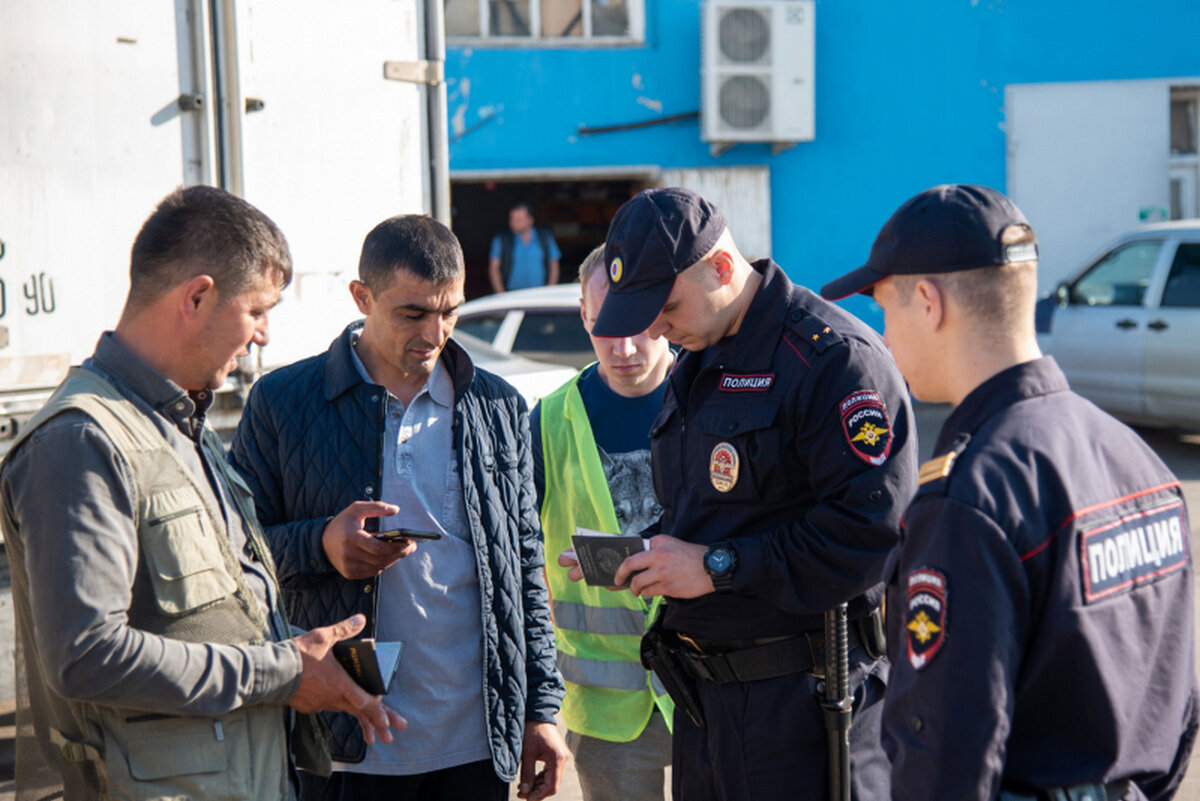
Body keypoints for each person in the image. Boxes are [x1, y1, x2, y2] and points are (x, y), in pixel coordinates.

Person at [0, 186, 404, 801]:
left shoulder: (178, 423)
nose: (264, 335)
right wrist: (284, 670)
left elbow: (211, 616)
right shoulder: (82, 440)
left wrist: (311, 658)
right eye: (258, 310)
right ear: (196, 296)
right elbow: (84, 654)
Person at [819, 184, 1199, 801]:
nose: (883, 337)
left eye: (884, 308)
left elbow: (942, 752)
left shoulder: (970, 495)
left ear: (928, 301)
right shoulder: (1140, 461)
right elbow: (1177, 702)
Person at [579, 187, 918, 801]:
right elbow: (708, 508)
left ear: (723, 268)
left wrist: (715, 567)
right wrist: (648, 553)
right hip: (706, 704)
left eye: (666, 305)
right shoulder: (698, 355)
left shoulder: (831, 361)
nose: (655, 327)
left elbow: (871, 534)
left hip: (802, 708)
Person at [229, 214, 569, 801]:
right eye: (412, 313)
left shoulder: (499, 407)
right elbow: (229, 556)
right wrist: (321, 545)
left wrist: (540, 710)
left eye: (451, 312)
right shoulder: (283, 403)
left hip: (478, 743)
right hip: (342, 743)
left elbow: (522, 574)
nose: (435, 333)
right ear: (362, 296)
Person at [531, 244, 675, 801]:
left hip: (707, 688)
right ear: (584, 316)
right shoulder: (547, 422)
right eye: (605, 326)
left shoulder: (716, 403)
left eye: (638, 324)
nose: (624, 346)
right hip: (606, 707)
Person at [488, 201, 561, 293]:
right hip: (512, 294)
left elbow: (554, 265)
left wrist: (550, 290)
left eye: (519, 220)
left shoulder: (545, 237)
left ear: (530, 221)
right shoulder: (502, 239)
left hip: (540, 293)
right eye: (512, 219)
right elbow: (494, 268)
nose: (513, 223)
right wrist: (501, 294)